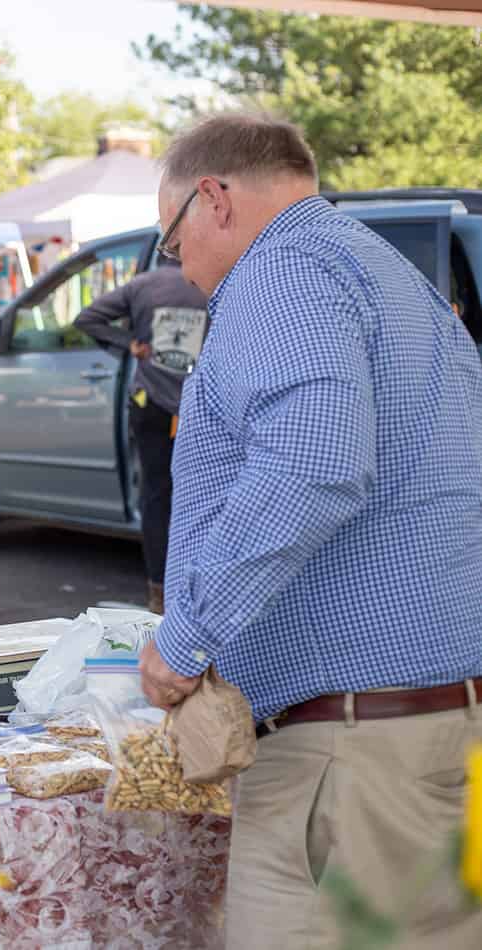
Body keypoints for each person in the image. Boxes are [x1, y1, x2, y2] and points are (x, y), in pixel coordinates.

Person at [138, 113, 482, 948]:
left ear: (213, 198)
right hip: (425, 733)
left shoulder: (280, 271)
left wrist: (184, 640)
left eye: (171, 237)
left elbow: (314, 464)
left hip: (354, 754)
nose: (176, 264)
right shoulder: (379, 269)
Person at [73, 260, 208, 614]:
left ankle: (159, 593)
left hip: (152, 405)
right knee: (203, 496)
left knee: (155, 497)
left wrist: (129, 343)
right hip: (202, 404)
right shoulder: (209, 279)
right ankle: (199, 591)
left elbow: (87, 319)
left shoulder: (141, 286)